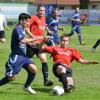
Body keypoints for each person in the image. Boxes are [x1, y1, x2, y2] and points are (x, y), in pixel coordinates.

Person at [0, 13, 38, 94]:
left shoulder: (22, 28)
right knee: (10, 78)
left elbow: (21, 42)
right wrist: (36, 38)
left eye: (29, 21)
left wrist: (30, 43)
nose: (28, 23)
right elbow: (22, 40)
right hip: (16, 57)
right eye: (27, 21)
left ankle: (26, 86)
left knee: (33, 69)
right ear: (21, 21)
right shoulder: (17, 29)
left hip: (23, 56)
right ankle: (9, 66)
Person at [25, 5, 53, 86]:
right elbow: (26, 28)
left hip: (40, 44)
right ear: (37, 11)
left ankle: (46, 80)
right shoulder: (33, 18)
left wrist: (49, 31)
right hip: (32, 44)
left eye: (43, 10)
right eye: (40, 10)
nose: (42, 12)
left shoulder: (43, 18)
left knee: (44, 60)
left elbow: (44, 25)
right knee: (24, 61)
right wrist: (33, 37)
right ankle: (12, 71)